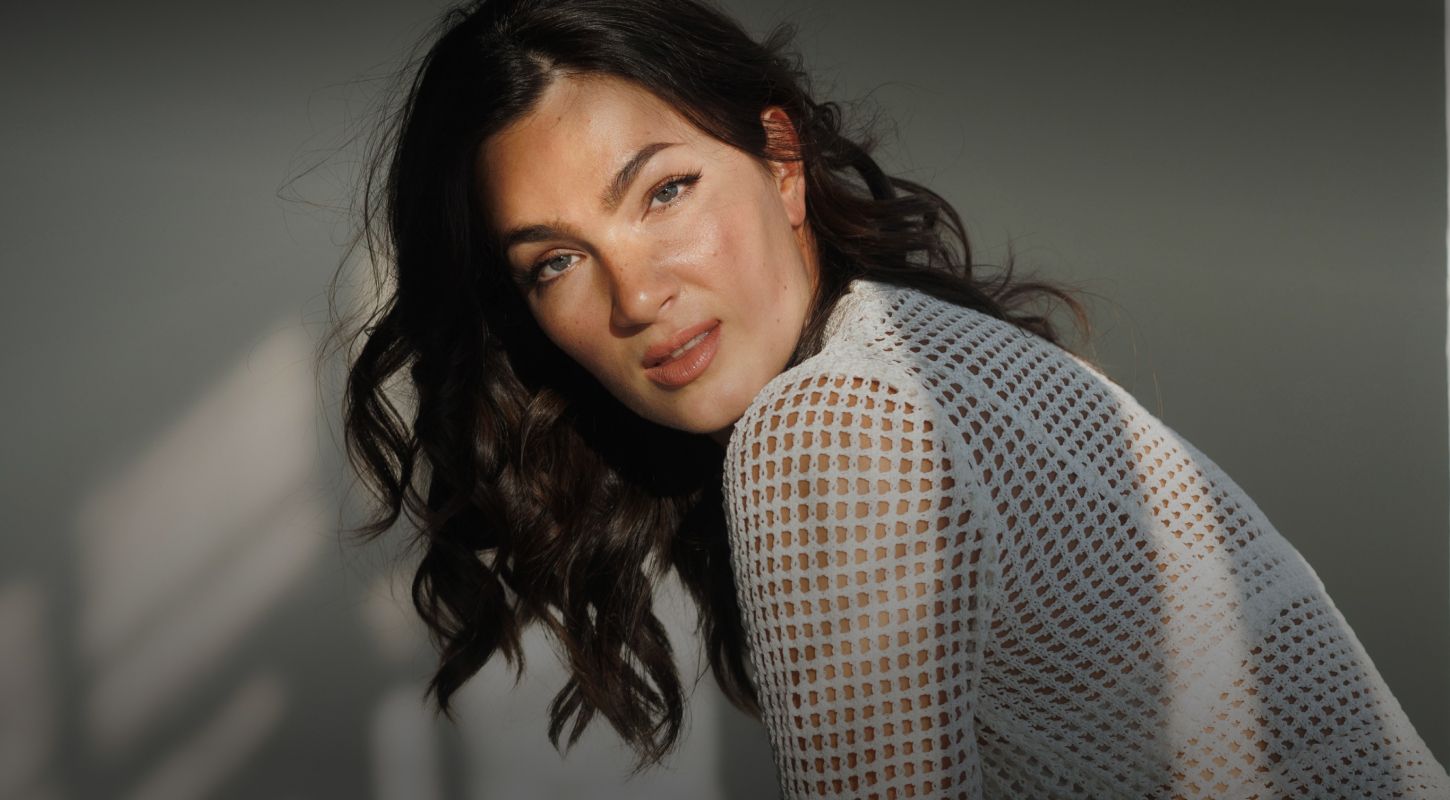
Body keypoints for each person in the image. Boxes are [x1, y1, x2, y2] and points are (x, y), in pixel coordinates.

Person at [328, 0, 1450, 796]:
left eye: (664, 189)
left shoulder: (833, 419)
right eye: (553, 262)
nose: (636, 292)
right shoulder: (923, 354)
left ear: (778, 160)